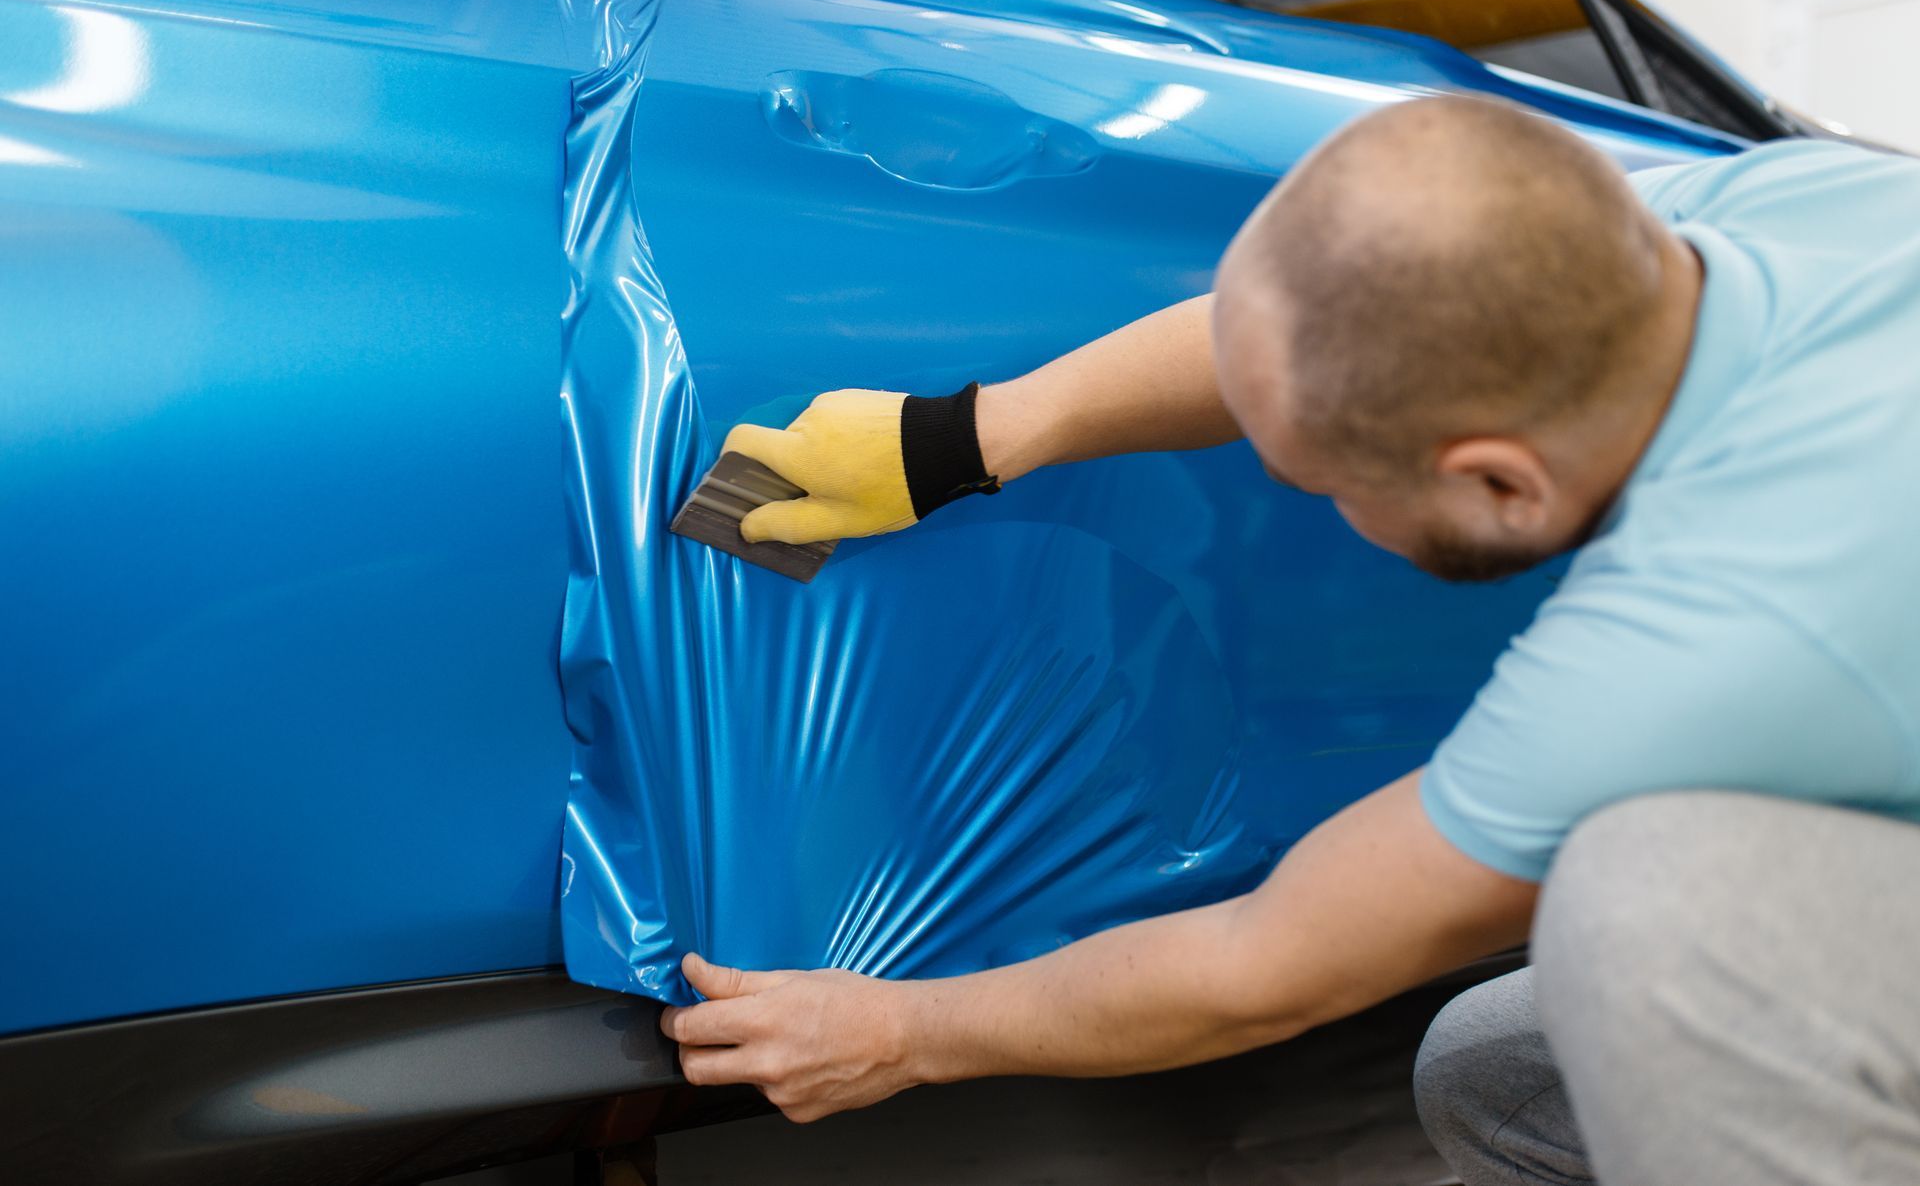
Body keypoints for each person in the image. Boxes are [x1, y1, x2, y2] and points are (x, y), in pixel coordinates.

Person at [657, 95, 1920, 1184]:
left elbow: (1270, 962)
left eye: (1325, 485)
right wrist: (969, 436)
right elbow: (1314, 317)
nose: (1322, 508)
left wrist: (904, 1033)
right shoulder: (1789, 211)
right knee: (1505, 1071)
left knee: (1653, 922)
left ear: (1501, 483)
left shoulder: (1711, 627)